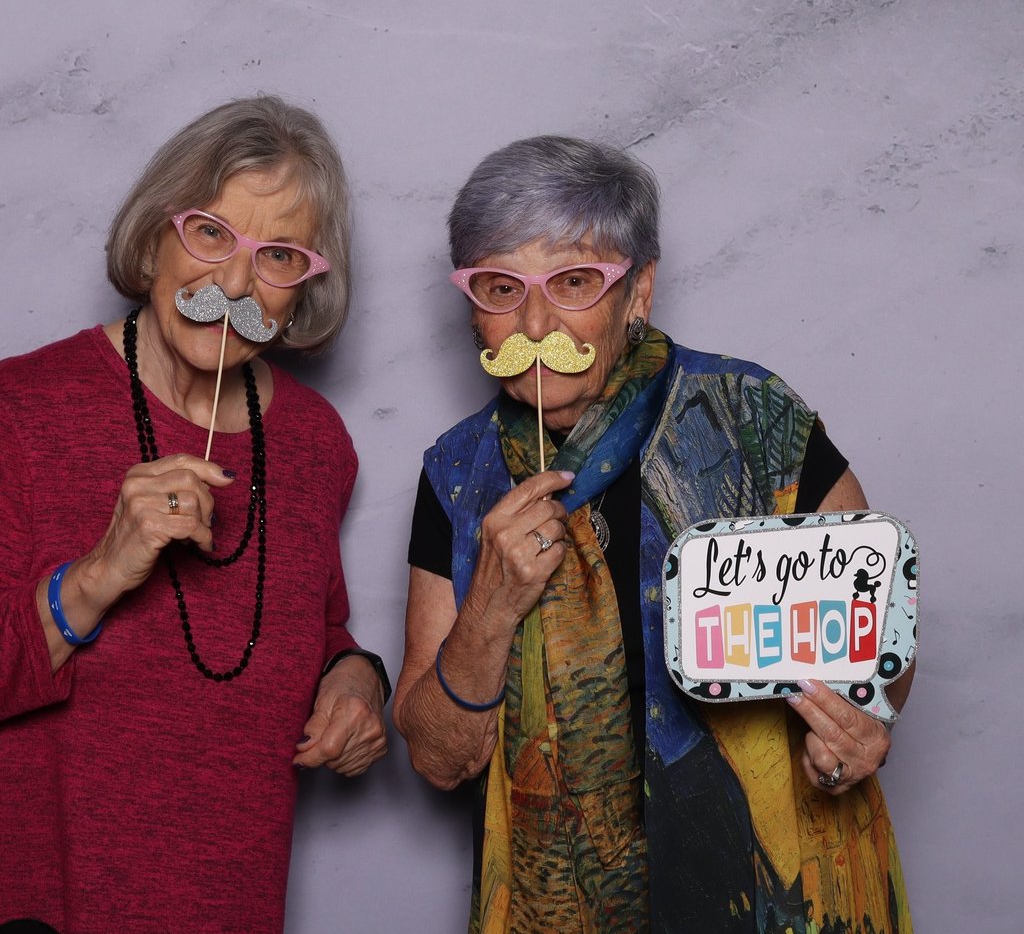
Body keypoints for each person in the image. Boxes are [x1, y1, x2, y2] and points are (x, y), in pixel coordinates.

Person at [394, 135, 913, 934]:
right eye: (501, 286)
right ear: (472, 305)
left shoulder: (750, 415)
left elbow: (883, 648)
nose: (535, 321)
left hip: (775, 890)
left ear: (638, 290)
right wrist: (491, 608)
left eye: (574, 282)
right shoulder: (456, 475)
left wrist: (862, 724)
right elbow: (437, 757)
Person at [0, 96, 389, 934]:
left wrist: (355, 677)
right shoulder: (20, 410)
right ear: (153, 237)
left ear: (307, 285)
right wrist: (97, 577)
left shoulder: (318, 442)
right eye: (211, 233)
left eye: (278, 255)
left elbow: (313, 628)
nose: (236, 283)